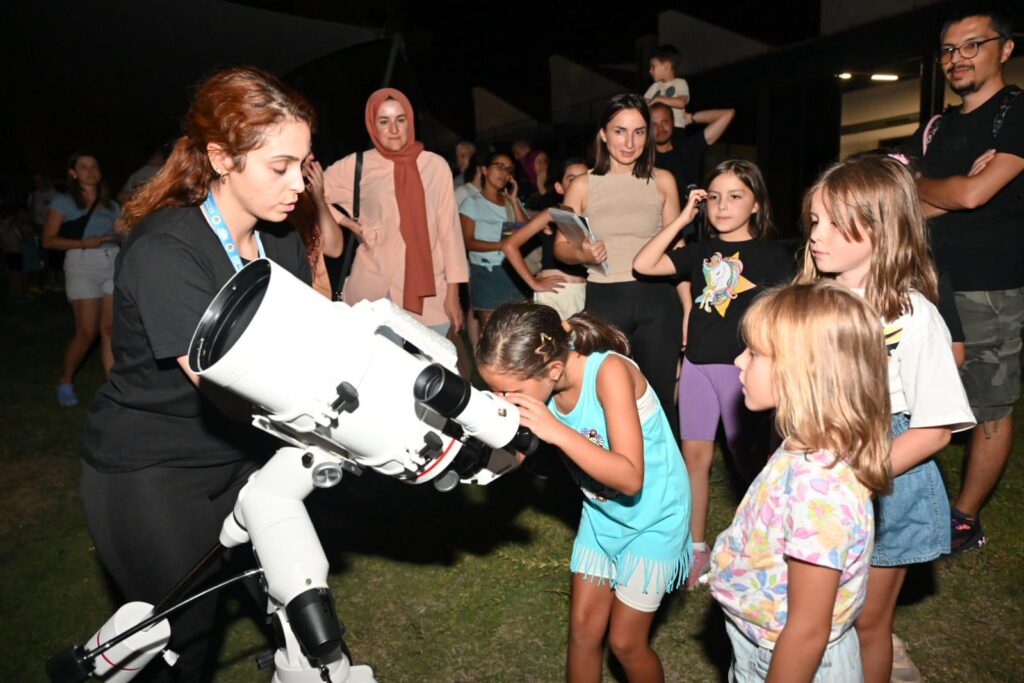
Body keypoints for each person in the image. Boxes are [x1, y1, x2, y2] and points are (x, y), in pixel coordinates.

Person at [79, 66, 341, 683]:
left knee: (304, 627)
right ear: (222, 158)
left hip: (240, 459)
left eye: (303, 167)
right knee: (181, 649)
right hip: (152, 472)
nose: (296, 186)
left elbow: (314, 339)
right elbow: (226, 390)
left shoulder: (275, 242)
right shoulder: (167, 250)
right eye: (279, 167)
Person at [796, 154, 975, 683]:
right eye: (814, 221)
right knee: (816, 615)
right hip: (818, 459)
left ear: (880, 228)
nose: (815, 235)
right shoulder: (816, 300)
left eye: (832, 222)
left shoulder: (914, 317)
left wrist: (856, 475)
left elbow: (936, 427)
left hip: (887, 477)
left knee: (865, 620)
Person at [476, 302, 691, 683]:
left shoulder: (608, 373)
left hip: (655, 520)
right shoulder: (538, 388)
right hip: (601, 515)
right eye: (496, 391)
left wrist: (555, 431)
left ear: (553, 370)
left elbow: (630, 478)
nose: (505, 400)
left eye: (510, 392)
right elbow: (515, 456)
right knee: (583, 631)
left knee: (626, 643)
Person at [710, 282, 891, 682]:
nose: (739, 361)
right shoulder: (806, 447)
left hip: (789, 661)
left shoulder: (819, 487)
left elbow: (808, 630)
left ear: (802, 372)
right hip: (764, 645)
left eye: (754, 353)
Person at [633, 159, 793, 588]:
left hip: (744, 372)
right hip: (699, 367)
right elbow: (645, 264)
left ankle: (772, 537)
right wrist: (683, 220)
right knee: (694, 461)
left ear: (757, 203)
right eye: (715, 198)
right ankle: (695, 546)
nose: (722, 207)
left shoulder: (777, 255)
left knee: (749, 460)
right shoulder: (702, 251)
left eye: (735, 196)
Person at [907, 5, 1023, 555]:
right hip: (925, 279)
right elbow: (904, 202)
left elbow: (976, 196)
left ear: (1005, 48)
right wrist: (943, 188)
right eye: (950, 49)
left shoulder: (1017, 112)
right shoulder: (937, 125)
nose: (958, 59)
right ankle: (911, 499)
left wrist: (930, 187)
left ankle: (963, 517)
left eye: (973, 45)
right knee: (914, 391)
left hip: (989, 286)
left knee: (989, 406)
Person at [556, 93, 682, 434]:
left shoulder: (664, 181)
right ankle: (614, 477)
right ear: (603, 134)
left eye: (639, 132)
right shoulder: (582, 186)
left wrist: (689, 309)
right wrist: (583, 255)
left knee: (660, 400)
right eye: (620, 131)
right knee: (607, 396)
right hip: (605, 300)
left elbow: (678, 251)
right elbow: (561, 247)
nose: (630, 142)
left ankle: (666, 481)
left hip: (658, 301)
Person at [323, 88, 467, 335]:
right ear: (372, 125)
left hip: (430, 293)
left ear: (410, 121)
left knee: (427, 367)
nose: (393, 129)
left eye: (400, 120)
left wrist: (453, 294)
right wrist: (350, 224)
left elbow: (450, 233)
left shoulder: (435, 166)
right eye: (384, 121)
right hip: (374, 287)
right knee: (381, 369)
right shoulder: (358, 165)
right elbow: (311, 194)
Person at [41, 151, 122, 407]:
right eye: (83, 166)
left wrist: (125, 231)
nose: (90, 170)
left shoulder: (111, 204)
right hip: (82, 262)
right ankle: (65, 380)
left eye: (94, 165)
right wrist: (83, 243)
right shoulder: (63, 201)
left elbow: (121, 233)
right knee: (87, 331)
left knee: (109, 329)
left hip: (113, 261)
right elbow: (48, 240)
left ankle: (112, 387)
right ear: (73, 173)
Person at [501, 157, 589, 319]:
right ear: (559, 187)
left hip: (584, 294)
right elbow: (509, 245)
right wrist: (533, 283)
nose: (579, 183)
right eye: (571, 179)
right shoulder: (552, 213)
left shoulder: (594, 217)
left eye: (584, 177)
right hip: (556, 295)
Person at [459, 151, 529, 328]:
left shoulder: (509, 201)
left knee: (517, 330)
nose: (504, 172)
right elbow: (467, 241)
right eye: (499, 166)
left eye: (508, 169)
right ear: (484, 170)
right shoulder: (472, 203)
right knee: (491, 331)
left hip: (513, 270)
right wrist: (502, 246)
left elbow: (527, 230)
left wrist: (514, 201)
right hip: (486, 272)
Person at [650, 102, 735, 217]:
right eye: (654, 124)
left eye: (664, 122)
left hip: (689, 227)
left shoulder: (688, 148)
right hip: (655, 227)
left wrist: (690, 118)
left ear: (673, 122)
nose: (660, 128)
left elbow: (728, 114)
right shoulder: (642, 158)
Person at [644, 45, 689, 129]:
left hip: (676, 127)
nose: (650, 71)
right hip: (656, 128)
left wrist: (659, 99)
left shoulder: (680, 83)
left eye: (653, 66)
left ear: (666, 66)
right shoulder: (655, 86)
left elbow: (681, 103)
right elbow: (645, 102)